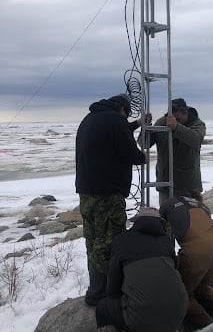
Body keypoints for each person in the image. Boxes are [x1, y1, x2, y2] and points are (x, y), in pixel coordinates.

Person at [75, 93, 146, 306]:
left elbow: (113, 134)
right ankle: (104, 294)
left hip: (87, 193)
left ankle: (96, 288)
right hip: (107, 195)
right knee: (110, 243)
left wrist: (137, 124)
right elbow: (129, 152)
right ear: (122, 109)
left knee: (93, 240)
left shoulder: (90, 119)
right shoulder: (116, 121)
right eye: (127, 116)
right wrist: (142, 157)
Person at [96, 206, 188, 332]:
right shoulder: (166, 242)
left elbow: (112, 291)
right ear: (161, 224)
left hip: (141, 319)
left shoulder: (122, 240)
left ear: (137, 222)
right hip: (179, 311)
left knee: (102, 308)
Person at [160, 191, 213, 330]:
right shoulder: (203, 207)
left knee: (183, 295)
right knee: (202, 288)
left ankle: (211, 327)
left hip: (196, 253)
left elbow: (163, 235)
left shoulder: (169, 204)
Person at [151, 98, 206, 205]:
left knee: (192, 219)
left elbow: (196, 140)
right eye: (174, 118)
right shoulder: (162, 122)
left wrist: (176, 128)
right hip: (165, 183)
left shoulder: (197, 124)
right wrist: (145, 127)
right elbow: (144, 143)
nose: (175, 121)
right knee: (166, 219)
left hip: (189, 186)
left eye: (179, 119)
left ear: (185, 113)